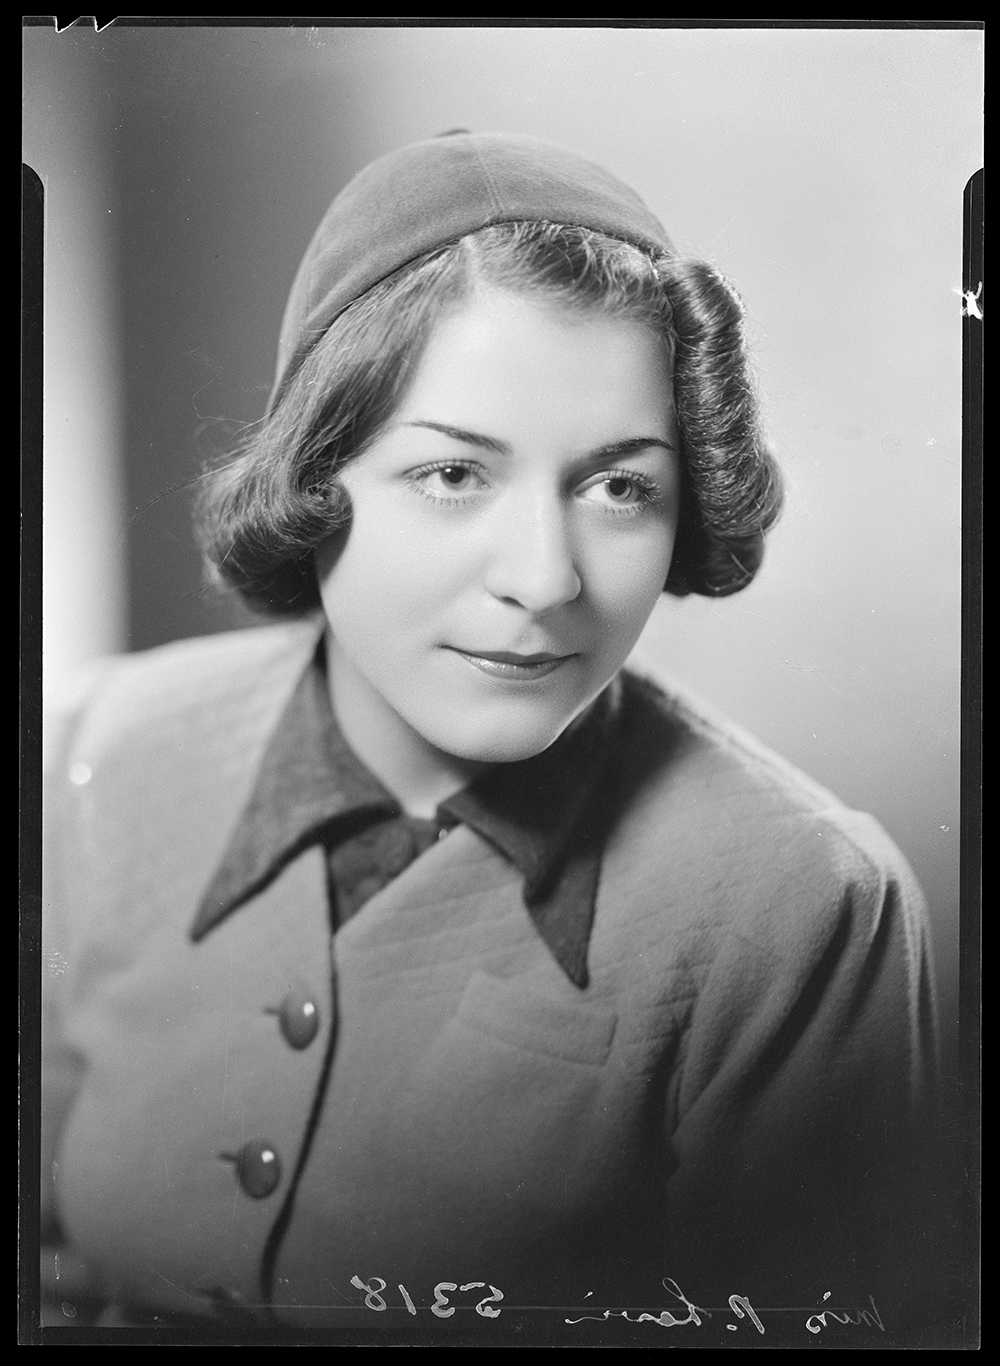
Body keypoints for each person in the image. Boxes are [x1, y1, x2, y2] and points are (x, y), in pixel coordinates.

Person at [41, 132, 938, 1341]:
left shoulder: (800, 906)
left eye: (620, 486)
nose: (544, 577)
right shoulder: (91, 754)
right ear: (316, 476)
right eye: (454, 473)